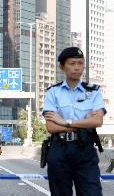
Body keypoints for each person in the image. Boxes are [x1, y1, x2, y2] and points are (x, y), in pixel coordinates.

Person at [42, 47, 106, 196]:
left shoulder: (93, 91)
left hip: (86, 150)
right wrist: (84, 122)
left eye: (80, 63)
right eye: (72, 63)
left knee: (93, 193)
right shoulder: (53, 92)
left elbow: (97, 121)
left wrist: (65, 122)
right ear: (62, 67)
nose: (77, 67)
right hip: (59, 149)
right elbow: (51, 126)